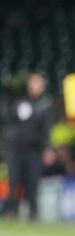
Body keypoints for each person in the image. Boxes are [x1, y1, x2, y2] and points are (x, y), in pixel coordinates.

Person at [1, 73, 54, 220]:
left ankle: (33, 212)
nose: (38, 87)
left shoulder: (45, 104)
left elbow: (47, 128)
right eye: (36, 83)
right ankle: (11, 210)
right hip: (15, 148)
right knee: (13, 181)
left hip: (34, 149)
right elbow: (6, 114)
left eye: (41, 84)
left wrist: (48, 148)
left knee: (33, 182)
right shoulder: (17, 100)